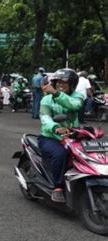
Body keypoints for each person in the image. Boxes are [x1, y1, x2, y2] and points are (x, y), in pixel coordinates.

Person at [39, 68, 83, 203]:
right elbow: (45, 117)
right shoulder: (47, 99)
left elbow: (74, 105)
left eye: (64, 83)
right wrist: (55, 127)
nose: (61, 85)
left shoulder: (77, 96)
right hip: (50, 138)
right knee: (61, 154)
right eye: (58, 82)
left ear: (72, 85)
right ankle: (57, 186)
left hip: (73, 136)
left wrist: (57, 94)